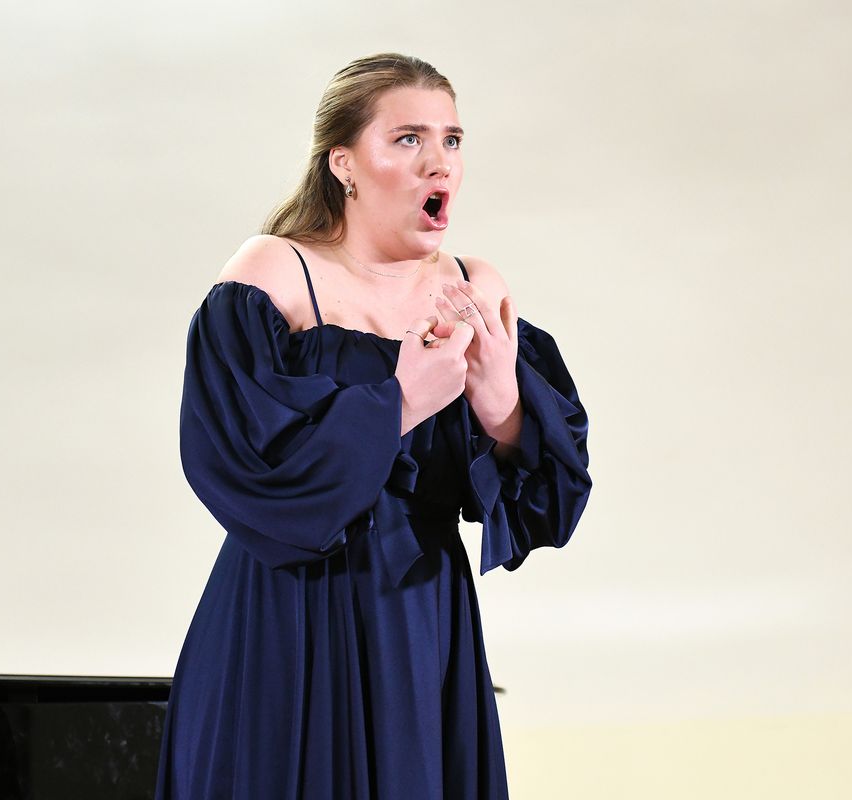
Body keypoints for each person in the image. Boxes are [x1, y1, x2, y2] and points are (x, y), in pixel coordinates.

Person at [154, 53, 592, 799]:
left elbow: (551, 501)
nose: (438, 162)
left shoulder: (473, 288)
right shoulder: (271, 274)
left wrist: (500, 405)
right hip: (289, 612)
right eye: (408, 139)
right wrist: (401, 401)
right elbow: (241, 471)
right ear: (344, 164)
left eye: (451, 140)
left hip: (421, 613)